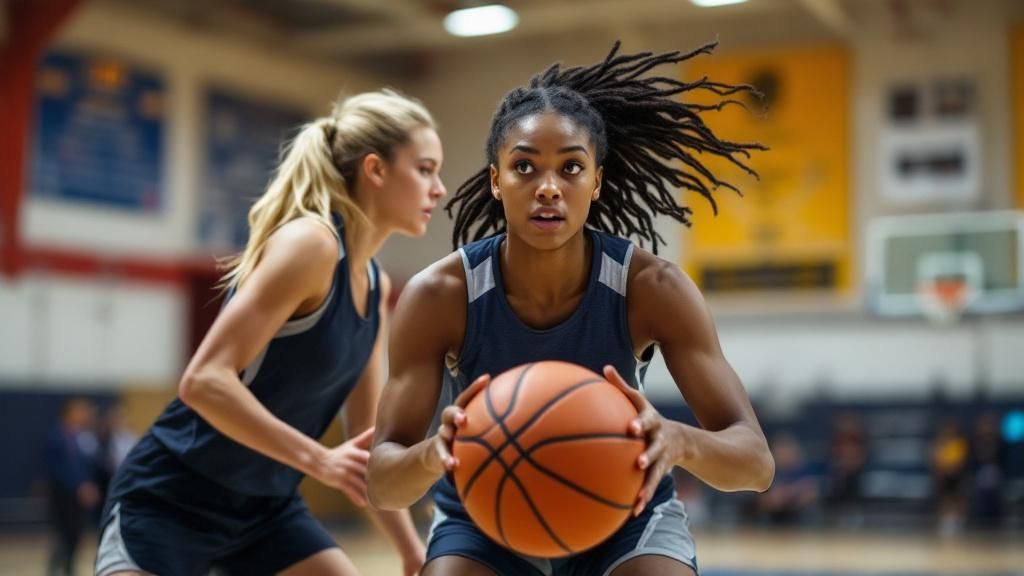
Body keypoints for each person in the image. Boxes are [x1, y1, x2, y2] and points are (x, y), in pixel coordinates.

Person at [368, 42, 775, 576]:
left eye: (571, 169)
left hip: (624, 513)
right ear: (496, 180)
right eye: (524, 167)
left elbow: (756, 463)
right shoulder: (439, 295)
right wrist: (432, 453)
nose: (548, 189)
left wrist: (680, 440)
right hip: (486, 516)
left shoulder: (653, 288)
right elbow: (382, 480)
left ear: (596, 182)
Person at [95, 89, 445, 576]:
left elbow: (369, 445)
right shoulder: (311, 244)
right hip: (173, 497)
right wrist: (319, 460)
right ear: (376, 170)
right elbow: (203, 380)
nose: (440, 188)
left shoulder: (376, 285)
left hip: (265, 512)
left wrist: (412, 552)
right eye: (425, 169)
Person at [45, 398, 100, 576]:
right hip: (62, 494)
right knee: (64, 534)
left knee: (76, 535)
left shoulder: (83, 436)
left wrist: (89, 485)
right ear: (69, 413)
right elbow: (57, 468)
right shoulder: (56, 436)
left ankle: (68, 567)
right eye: (80, 411)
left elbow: (87, 465)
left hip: (80, 495)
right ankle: (57, 568)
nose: (84, 414)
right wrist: (78, 486)